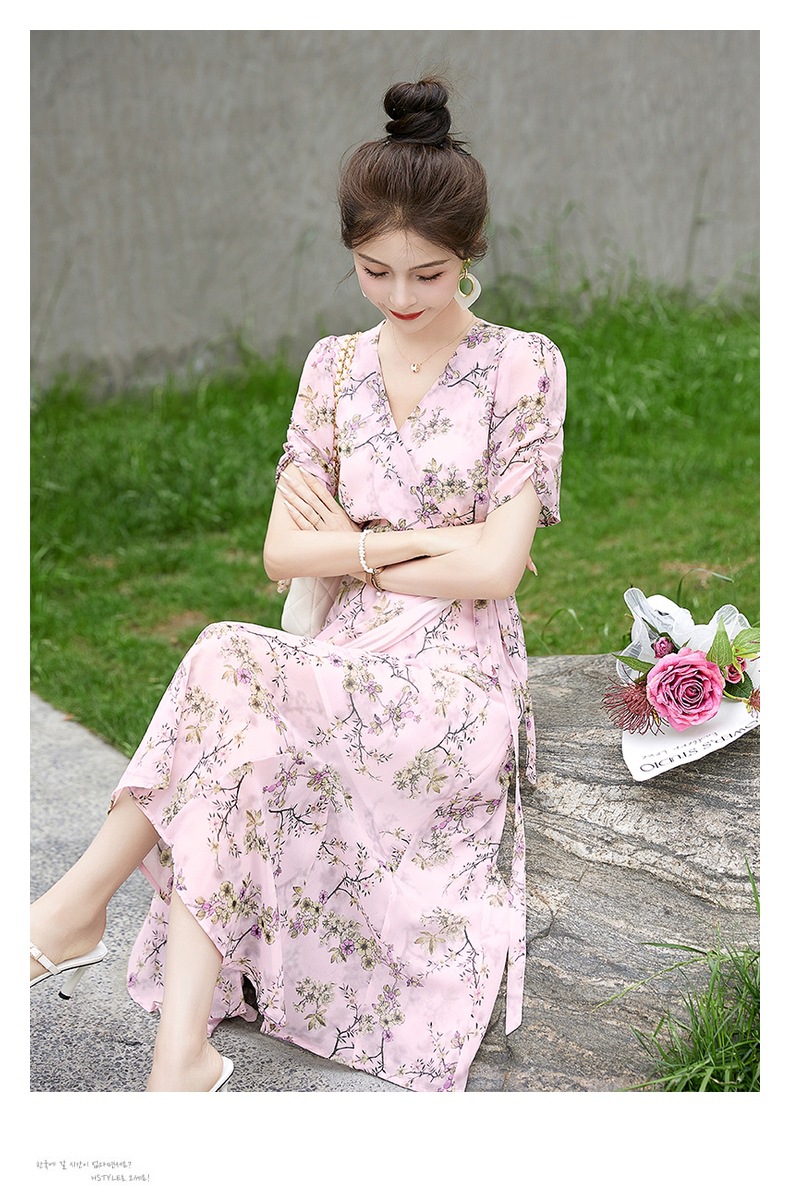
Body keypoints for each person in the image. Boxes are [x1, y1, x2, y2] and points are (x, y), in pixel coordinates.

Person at [29, 76, 566, 1093]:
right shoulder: (332, 368)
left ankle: (69, 916)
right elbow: (284, 550)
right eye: (375, 270)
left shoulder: (520, 367)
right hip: (340, 656)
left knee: (228, 662)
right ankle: (180, 1059)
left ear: (471, 253)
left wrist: (358, 540)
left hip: (451, 680)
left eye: (429, 272)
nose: (402, 296)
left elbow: (495, 570)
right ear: (350, 253)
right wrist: (426, 539)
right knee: (241, 729)